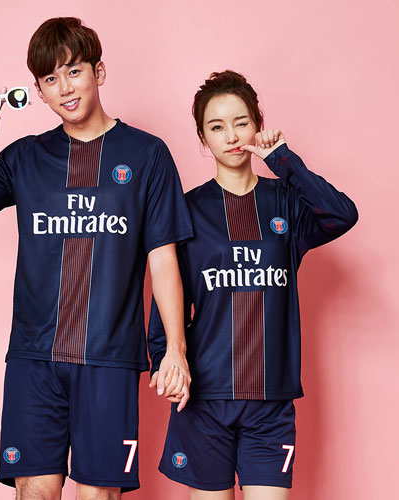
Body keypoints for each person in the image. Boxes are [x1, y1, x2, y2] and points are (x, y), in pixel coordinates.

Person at [0, 17, 193, 500]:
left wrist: (174, 348)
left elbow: (163, 259)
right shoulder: (26, 158)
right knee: (34, 491)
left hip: (108, 358)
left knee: (98, 495)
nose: (65, 88)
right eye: (51, 79)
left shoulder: (147, 154)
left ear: (99, 72)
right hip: (34, 358)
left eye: (73, 71)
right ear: (39, 92)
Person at [148, 70, 358, 500]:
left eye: (241, 122)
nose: (231, 136)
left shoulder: (286, 202)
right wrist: (164, 364)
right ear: (202, 139)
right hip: (205, 399)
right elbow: (166, 305)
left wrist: (282, 158)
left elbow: (342, 214)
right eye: (216, 127)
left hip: (271, 401)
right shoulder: (187, 212)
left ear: (257, 125)